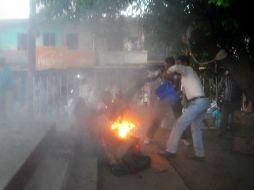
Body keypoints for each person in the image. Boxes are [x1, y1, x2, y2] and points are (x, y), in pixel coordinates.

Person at [161, 55, 209, 161]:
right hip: (200, 102)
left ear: (185, 63)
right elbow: (183, 93)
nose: (177, 65)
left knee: (179, 124)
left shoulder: (188, 69)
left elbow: (176, 68)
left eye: (179, 63)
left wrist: (168, 71)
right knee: (196, 129)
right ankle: (200, 155)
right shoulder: (185, 77)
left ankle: (170, 151)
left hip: (198, 102)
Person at [144, 56, 179, 144]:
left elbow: (177, 83)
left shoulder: (176, 72)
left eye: (166, 64)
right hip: (165, 97)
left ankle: (184, 138)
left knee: (179, 118)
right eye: (165, 64)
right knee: (157, 118)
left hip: (174, 97)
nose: (165, 65)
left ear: (171, 64)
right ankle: (148, 137)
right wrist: (147, 79)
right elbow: (154, 76)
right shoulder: (162, 71)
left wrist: (165, 75)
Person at [217, 70, 242, 138]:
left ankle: (233, 135)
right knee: (223, 119)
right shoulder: (225, 77)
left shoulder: (240, 78)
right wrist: (218, 99)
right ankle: (222, 133)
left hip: (237, 102)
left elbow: (244, 89)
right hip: (226, 101)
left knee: (234, 119)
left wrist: (246, 100)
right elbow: (219, 88)